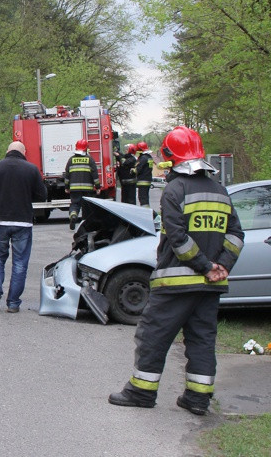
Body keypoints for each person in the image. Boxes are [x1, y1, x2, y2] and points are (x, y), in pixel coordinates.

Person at [108, 126, 244, 416]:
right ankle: (198, 399)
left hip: (176, 284)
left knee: (153, 336)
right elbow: (236, 236)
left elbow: (178, 239)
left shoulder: (174, 189)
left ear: (171, 155)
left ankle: (141, 392)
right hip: (210, 287)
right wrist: (221, 266)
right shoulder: (220, 190)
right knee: (202, 341)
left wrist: (207, 267)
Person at [0, 141, 47, 312]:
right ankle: (13, 303)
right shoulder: (31, 169)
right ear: (24, 152)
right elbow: (42, 195)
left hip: (1, 222)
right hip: (23, 222)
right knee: (20, 264)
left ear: (7, 151)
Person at [63, 139, 100, 230]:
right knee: (86, 206)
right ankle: (85, 224)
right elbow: (95, 175)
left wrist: (66, 187)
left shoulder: (71, 160)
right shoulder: (90, 159)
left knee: (75, 204)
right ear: (86, 148)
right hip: (88, 189)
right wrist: (98, 187)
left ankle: (73, 216)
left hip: (74, 188)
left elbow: (67, 175)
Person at [135, 140, 154, 208]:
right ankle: (147, 211)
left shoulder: (143, 158)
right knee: (145, 198)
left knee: (142, 198)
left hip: (142, 180)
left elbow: (138, 169)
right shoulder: (149, 157)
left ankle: (146, 213)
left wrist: (133, 170)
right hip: (148, 179)